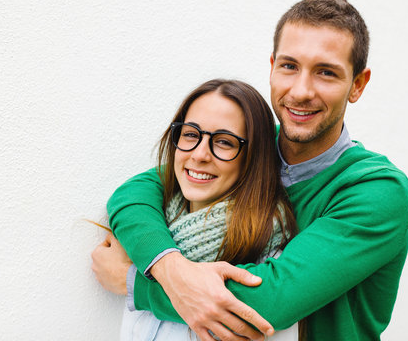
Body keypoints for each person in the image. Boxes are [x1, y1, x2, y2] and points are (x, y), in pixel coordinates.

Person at [92, 0, 408, 341]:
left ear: (357, 84)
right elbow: (137, 191)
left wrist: (134, 283)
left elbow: (265, 305)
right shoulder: (249, 148)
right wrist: (169, 266)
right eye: (290, 66)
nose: (301, 91)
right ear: (273, 66)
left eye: (326, 72)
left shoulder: (376, 190)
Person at [92, 79, 300, 340]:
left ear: (254, 159)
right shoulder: (145, 238)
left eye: (224, 142)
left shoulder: (270, 260)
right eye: (190, 134)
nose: (200, 154)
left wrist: (132, 282)